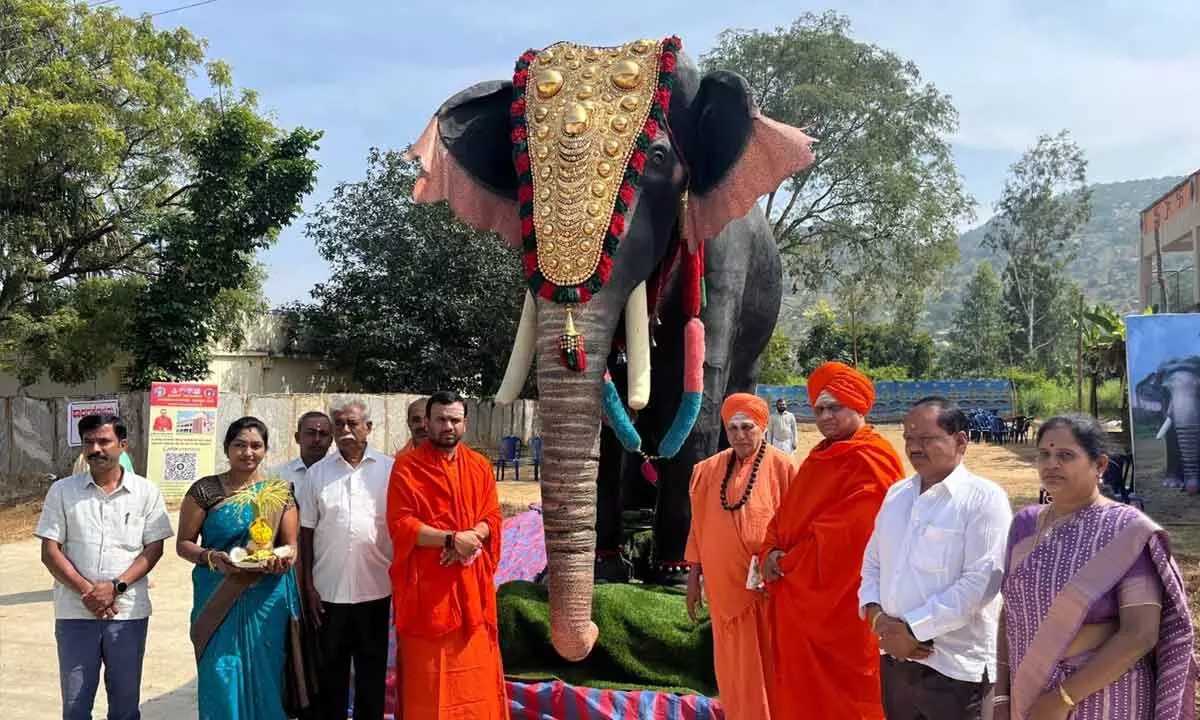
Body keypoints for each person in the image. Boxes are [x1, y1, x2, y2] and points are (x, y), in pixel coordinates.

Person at [994, 414, 1196, 720]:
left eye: (1065, 455)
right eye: (1044, 455)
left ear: (1100, 465)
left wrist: (1062, 698)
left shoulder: (1126, 530)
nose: (1051, 464)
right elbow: (1009, 615)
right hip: (1028, 694)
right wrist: (1001, 697)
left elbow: (1140, 634)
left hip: (1104, 697)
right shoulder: (1024, 525)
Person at [759, 361, 906, 720]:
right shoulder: (819, 456)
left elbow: (849, 538)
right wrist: (770, 548)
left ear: (858, 406)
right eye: (819, 408)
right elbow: (788, 514)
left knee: (851, 699)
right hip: (799, 600)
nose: (825, 416)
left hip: (844, 608)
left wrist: (787, 562)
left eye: (834, 407)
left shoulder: (873, 458)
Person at [860, 397, 1013, 719]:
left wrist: (913, 630)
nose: (915, 448)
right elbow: (873, 563)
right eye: (909, 439)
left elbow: (981, 582)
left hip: (953, 667)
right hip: (897, 660)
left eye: (927, 439)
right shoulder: (897, 494)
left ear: (960, 441)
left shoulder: (984, 499)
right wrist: (878, 620)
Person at [35, 413, 174, 720]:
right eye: (89, 442)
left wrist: (115, 587)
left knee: (125, 706)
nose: (96, 449)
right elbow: (49, 551)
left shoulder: (146, 492)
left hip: (128, 613)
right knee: (75, 706)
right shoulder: (62, 491)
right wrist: (88, 592)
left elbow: (154, 549)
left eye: (104, 441)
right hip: (75, 612)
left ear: (122, 445)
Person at [388, 391, 508, 719]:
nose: (448, 426)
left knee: (475, 675)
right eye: (441, 419)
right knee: (427, 681)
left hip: (472, 586)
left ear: (465, 424)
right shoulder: (407, 467)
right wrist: (451, 540)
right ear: (427, 422)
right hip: (428, 591)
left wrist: (471, 537)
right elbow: (401, 524)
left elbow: (492, 517)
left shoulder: (480, 466)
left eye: (455, 420)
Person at [176, 417, 305, 719]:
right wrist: (210, 557)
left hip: (267, 598)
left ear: (265, 450)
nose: (248, 452)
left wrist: (282, 558)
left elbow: (291, 545)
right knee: (220, 670)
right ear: (227, 448)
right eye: (240, 445)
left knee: (268, 671)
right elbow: (184, 543)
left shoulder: (278, 492)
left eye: (256, 446)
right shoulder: (205, 491)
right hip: (217, 593)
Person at [684, 393, 797, 720]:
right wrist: (693, 577)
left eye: (747, 427)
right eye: (732, 428)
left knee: (771, 666)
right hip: (724, 593)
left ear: (762, 426)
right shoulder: (707, 471)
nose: (740, 435)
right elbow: (698, 526)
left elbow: (800, 528)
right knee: (734, 670)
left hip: (768, 593)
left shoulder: (783, 467)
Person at [297, 398, 394, 720]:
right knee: (330, 675)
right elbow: (307, 532)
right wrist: (308, 585)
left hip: (376, 589)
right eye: (339, 425)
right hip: (328, 592)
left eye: (353, 424)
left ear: (369, 428)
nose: (345, 430)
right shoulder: (318, 475)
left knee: (371, 674)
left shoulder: (391, 470)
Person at [271, 411, 334, 487]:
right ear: (297, 438)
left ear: (331, 440)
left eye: (323, 434)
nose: (317, 439)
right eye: (311, 433)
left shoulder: (340, 474)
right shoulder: (280, 475)